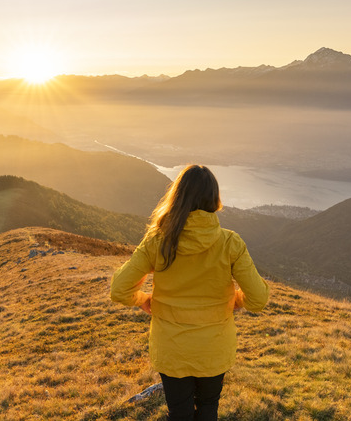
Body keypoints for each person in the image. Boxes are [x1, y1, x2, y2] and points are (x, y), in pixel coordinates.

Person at [110, 164, 269, 421]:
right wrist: (236, 300)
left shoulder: (158, 240)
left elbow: (119, 289)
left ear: (178, 197)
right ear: (214, 199)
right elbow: (259, 298)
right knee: (208, 409)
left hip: (172, 349)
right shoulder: (230, 243)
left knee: (179, 413)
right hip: (214, 349)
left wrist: (142, 300)